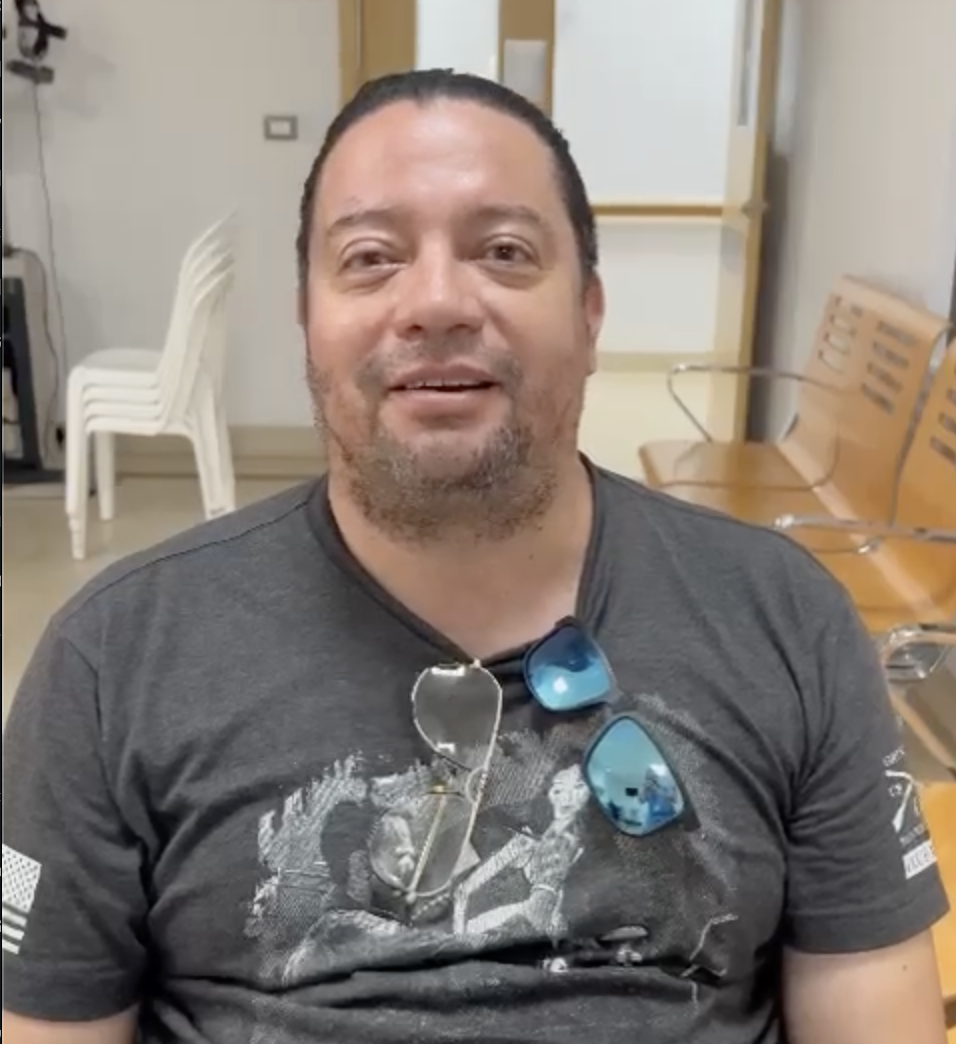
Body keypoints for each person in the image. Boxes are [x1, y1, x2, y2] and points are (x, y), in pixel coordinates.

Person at [1, 69, 950, 1044]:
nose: (436, 302)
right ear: (305, 320)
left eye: (502, 251)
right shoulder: (112, 663)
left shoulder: (786, 622)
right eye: (370, 258)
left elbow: (872, 1007)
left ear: (587, 313)